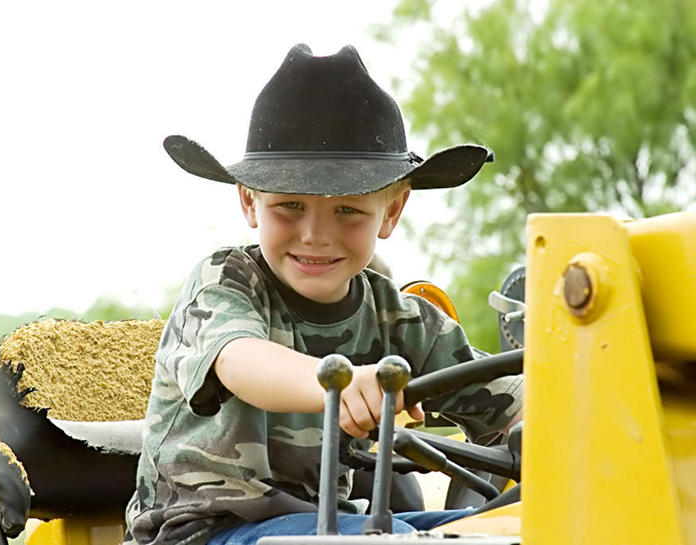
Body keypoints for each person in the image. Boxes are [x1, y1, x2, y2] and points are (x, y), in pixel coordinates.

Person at [124, 44, 522, 545]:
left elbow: (515, 401)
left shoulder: (399, 319)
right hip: (207, 529)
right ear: (250, 202)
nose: (315, 234)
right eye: (290, 205)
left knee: (499, 531)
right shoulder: (225, 283)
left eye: (348, 211)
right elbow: (240, 361)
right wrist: (340, 384)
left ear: (391, 212)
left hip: (339, 527)